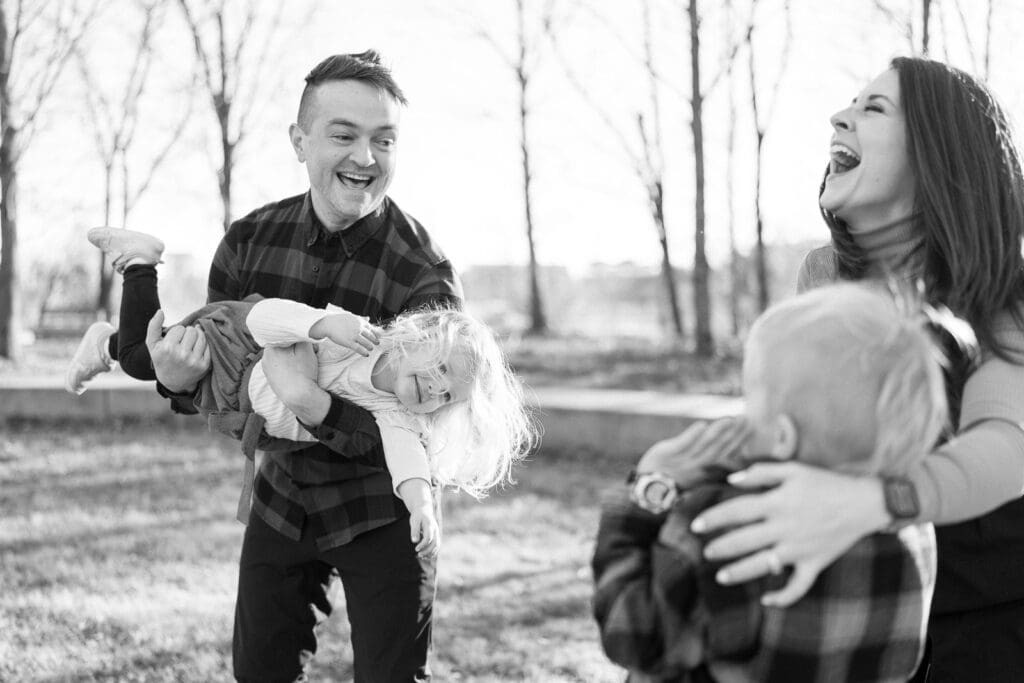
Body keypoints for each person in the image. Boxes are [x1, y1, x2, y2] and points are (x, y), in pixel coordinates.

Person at [109, 51, 467, 682]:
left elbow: (425, 430)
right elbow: (225, 380)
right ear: (300, 141)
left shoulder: (424, 276)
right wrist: (177, 379)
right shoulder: (248, 241)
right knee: (260, 673)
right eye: (343, 135)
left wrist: (315, 405)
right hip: (283, 500)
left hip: (382, 509)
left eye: (384, 140)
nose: (365, 157)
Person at [679, 57, 1024, 682]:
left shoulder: (1006, 285)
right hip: (859, 602)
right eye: (850, 104)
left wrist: (874, 501)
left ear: (941, 154)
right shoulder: (824, 275)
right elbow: (797, 421)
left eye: (875, 108)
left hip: (990, 616)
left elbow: (1011, 444)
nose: (840, 116)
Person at [65, 228, 535, 556]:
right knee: (141, 360)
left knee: (146, 358)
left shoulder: (398, 415)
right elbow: (262, 318)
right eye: (441, 369)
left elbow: (408, 461)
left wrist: (422, 508)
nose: (435, 389)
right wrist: (322, 323)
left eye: (448, 396)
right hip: (239, 347)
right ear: (420, 337)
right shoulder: (357, 335)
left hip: (239, 395)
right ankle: (140, 263)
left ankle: (104, 343)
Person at [593, 283, 951, 682]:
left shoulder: (725, 521)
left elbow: (634, 636)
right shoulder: (912, 524)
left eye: (749, 397)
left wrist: (643, 494)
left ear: (782, 437)